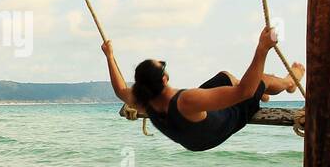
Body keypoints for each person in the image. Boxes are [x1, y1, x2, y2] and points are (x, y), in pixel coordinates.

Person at [103, 27, 303, 152]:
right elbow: (244, 92)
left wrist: (109, 56)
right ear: (164, 79)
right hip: (217, 130)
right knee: (261, 80)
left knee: (224, 77)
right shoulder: (187, 100)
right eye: (162, 65)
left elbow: (121, 89)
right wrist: (262, 48)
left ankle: (262, 94)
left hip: (191, 138)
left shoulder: (144, 101)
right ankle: (288, 82)